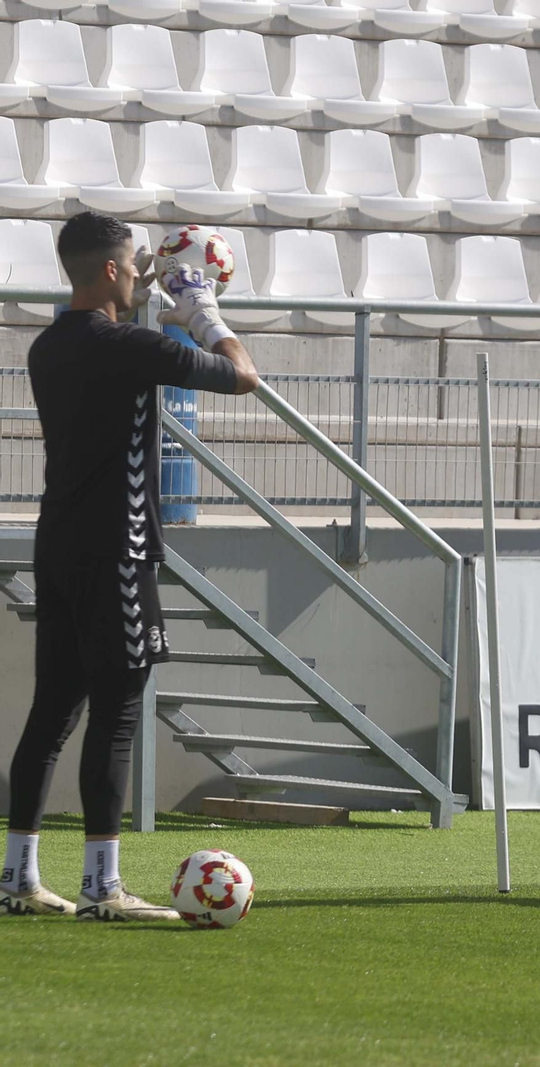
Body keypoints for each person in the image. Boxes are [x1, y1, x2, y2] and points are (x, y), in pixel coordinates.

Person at [1, 212, 260, 922]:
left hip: (57, 544)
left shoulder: (49, 346)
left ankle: (17, 876)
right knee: (116, 712)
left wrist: (151, 303)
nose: (142, 274)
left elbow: (112, 345)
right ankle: (101, 886)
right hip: (119, 547)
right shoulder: (128, 346)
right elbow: (244, 376)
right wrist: (202, 309)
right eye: (134, 266)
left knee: (52, 710)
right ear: (114, 270)